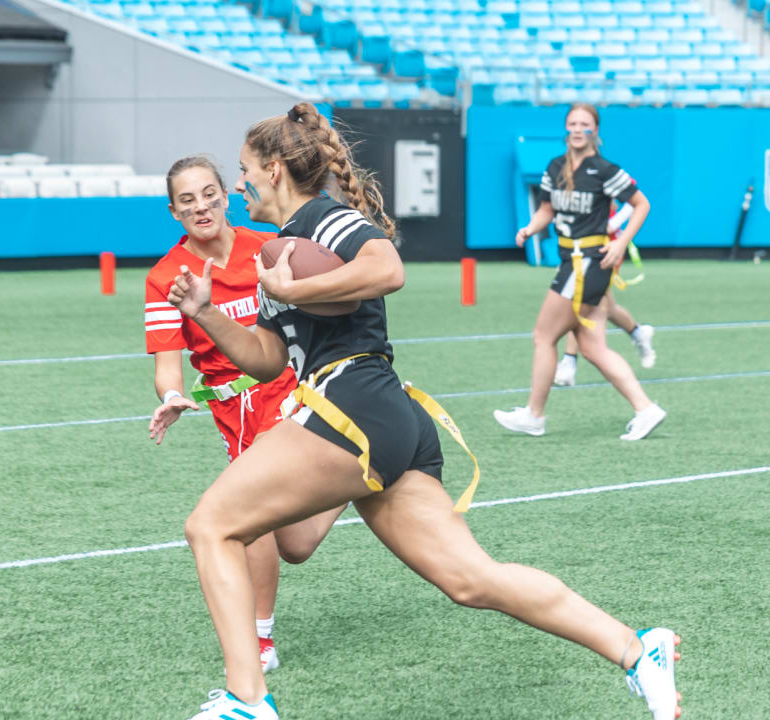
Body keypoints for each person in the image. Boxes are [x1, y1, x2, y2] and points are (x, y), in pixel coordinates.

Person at [168, 102, 680, 720]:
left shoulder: (325, 221)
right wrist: (206, 313)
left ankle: (247, 700)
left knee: (211, 525)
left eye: (245, 170)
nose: (240, 183)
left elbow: (387, 268)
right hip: (381, 418)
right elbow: (269, 360)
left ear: (275, 170)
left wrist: (290, 289)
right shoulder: (276, 252)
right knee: (466, 578)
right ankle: (636, 648)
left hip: (353, 402)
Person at [147, 154, 333, 673]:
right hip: (235, 411)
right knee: (294, 542)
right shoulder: (166, 277)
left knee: (248, 522)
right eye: (187, 200)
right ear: (173, 212)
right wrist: (171, 397)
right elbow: (167, 361)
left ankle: (261, 639)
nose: (201, 206)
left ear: (226, 195)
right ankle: (360, 479)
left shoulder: (267, 249)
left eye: (209, 193)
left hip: (292, 387)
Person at [495, 103, 666, 440]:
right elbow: (546, 208)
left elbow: (642, 204)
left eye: (584, 124)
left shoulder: (603, 169)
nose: (576, 129)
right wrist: (531, 228)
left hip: (587, 263)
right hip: (572, 261)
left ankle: (534, 415)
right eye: (572, 123)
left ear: (595, 130)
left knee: (544, 336)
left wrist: (621, 244)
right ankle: (646, 409)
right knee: (592, 348)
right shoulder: (555, 166)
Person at [554, 201, 655, 387]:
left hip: (605, 247)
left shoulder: (604, 172)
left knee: (579, 300)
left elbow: (636, 201)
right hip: (580, 246)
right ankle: (638, 332)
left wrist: (613, 224)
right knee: (606, 307)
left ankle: (569, 361)